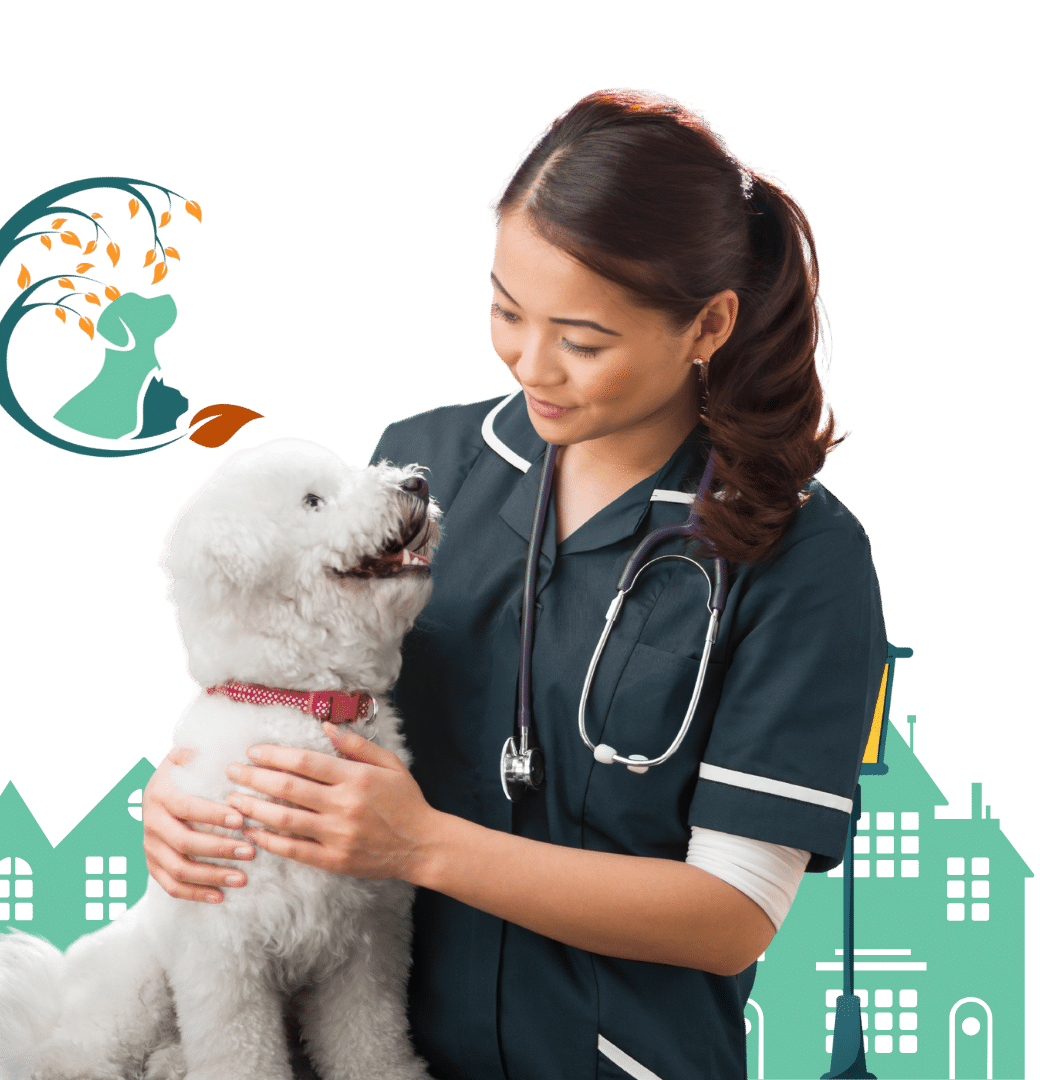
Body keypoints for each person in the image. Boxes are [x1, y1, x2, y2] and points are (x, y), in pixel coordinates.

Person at [141, 88, 887, 1080]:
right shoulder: (417, 468)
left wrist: (424, 848)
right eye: (505, 308)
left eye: (584, 341)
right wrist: (191, 789)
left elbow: (733, 915)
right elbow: (295, 688)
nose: (533, 365)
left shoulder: (799, 556)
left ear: (707, 323)